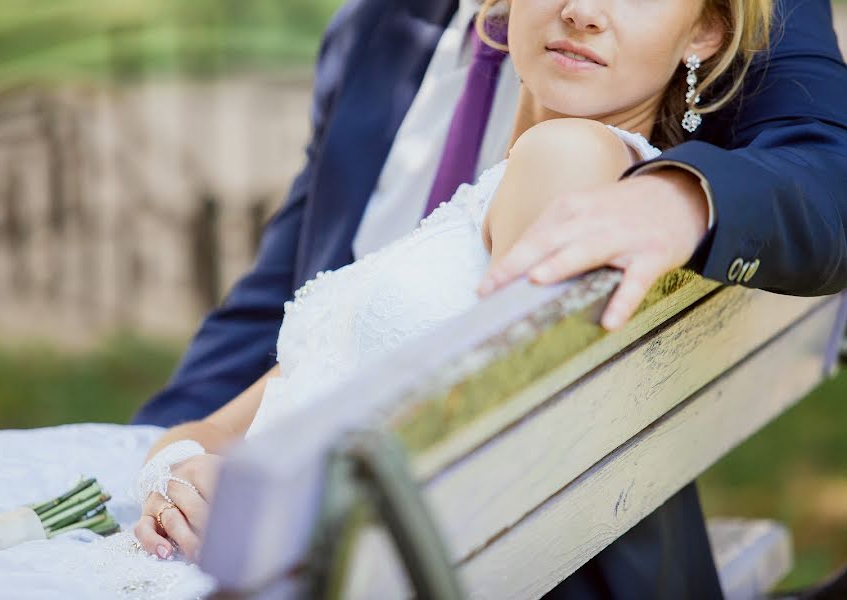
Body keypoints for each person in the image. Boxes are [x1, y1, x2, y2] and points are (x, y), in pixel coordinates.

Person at [129, 0, 846, 598]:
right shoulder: (453, 150)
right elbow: (270, 377)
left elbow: (493, 460)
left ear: (705, 32)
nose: (581, 10)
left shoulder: (568, 166)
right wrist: (175, 478)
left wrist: (249, 501)